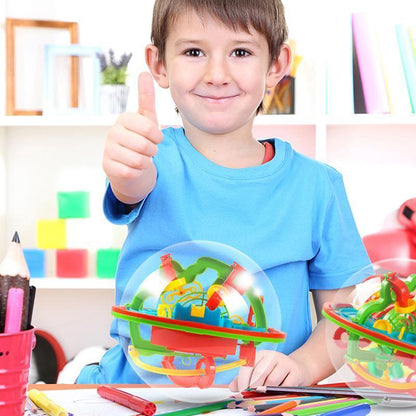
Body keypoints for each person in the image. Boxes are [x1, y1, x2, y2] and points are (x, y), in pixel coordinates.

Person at [77, 0, 371, 389]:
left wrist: (301, 367)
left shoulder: (318, 186)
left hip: (261, 402)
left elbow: (344, 317)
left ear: (277, 65)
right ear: (160, 64)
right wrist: (127, 166)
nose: (217, 74)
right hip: (136, 394)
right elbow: (132, 186)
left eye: (241, 52)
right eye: (194, 52)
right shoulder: (149, 159)